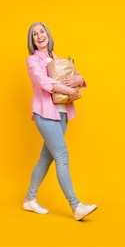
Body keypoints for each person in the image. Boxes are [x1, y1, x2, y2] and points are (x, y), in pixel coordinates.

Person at [23, 22, 97, 221]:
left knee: (46, 158)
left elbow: (75, 74)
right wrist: (70, 90)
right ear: (32, 40)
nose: (39, 36)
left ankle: (30, 199)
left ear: (48, 34)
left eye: (42, 31)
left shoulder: (56, 57)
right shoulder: (32, 60)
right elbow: (44, 82)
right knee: (62, 156)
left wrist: (78, 80)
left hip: (62, 113)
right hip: (45, 114)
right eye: (34, 34)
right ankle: (76, 206)